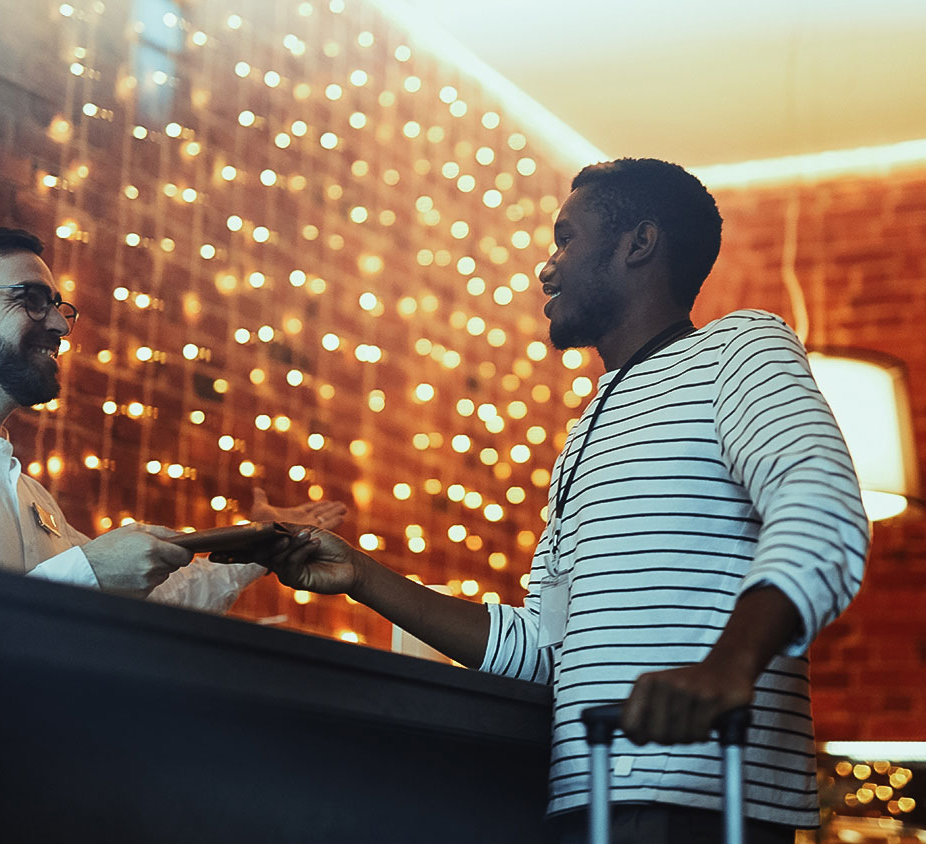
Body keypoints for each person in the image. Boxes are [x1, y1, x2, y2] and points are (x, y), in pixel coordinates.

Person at [263, 158, 869, 843]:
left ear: (639, 244)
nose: (546, 269)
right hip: (584, 804)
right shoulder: (585, 431)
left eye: (565, 238)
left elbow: (824, 511)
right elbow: (546, 648)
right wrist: (361, 577)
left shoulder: (740, 349)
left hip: (701, 803)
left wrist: (729, 666)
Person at [0, 226, 343, 611]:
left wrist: (255, 545)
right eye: (31, 300)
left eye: (59, 308)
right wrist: (89, 571)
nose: (60, 328)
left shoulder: (33, 498)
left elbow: (151, 600)